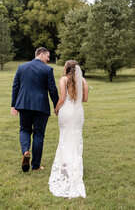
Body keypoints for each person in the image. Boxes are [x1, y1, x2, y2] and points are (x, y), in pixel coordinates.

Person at [11, 47, 59, 172]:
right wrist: (56, 105)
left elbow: (15, 86)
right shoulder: (47, 69)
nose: (48, 60)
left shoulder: (22, 67)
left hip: (24, 105)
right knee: (38, 134)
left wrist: (13, 105)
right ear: (42, 54)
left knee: (24, 130)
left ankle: (26, 151)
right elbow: (52, 89)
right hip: (41, 106)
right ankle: (35, 166)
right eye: (48, 57)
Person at [49, 60, 88, 198]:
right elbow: (85, 99)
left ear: (67, 68)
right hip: (78, 113)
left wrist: (56, 109)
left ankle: (65, 165)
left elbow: (62, 98)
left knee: (65, 137)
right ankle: (75, 164)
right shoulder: (83, 81)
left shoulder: (63, 80)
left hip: (66, 112)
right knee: (76, 138)